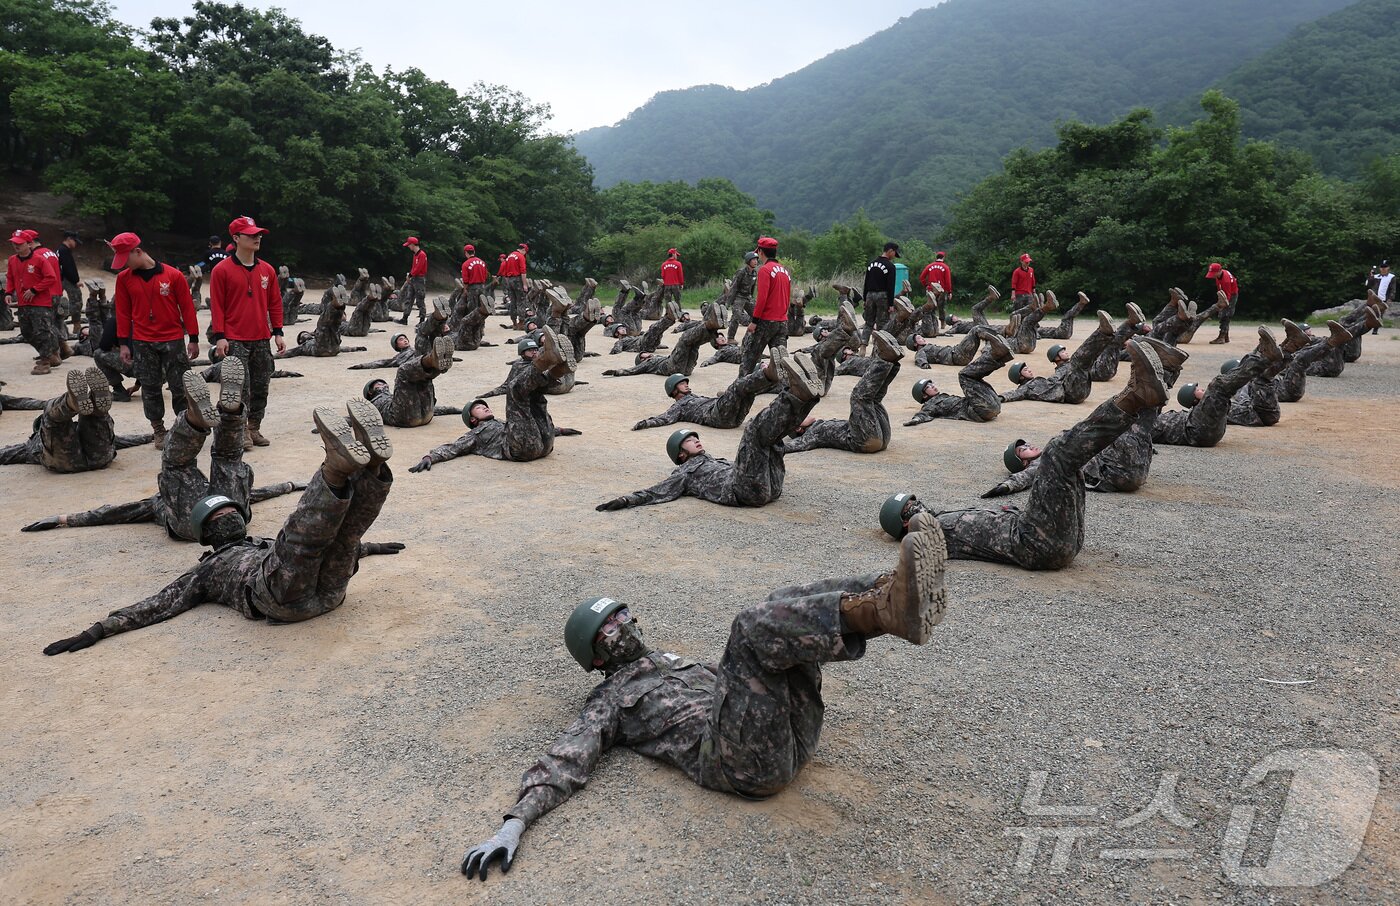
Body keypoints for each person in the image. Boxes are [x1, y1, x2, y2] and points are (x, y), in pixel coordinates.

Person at [459, 516, 949, 881]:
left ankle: (888, 593)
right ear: (594, 655)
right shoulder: (608, 698)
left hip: (790, 734)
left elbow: (748, 676)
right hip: (743, 765)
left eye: (622, 615)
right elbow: (565, 759)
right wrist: (513, 825)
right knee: (750, 626)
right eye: (607, 627)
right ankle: (883, 610)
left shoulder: (674, 659)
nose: (621, 625)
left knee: (777, 607)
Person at [41, 399, 405, 656]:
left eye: (231, 512)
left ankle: (370, 467)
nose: (229, 517)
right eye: (219, 518)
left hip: (330, 595)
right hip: (279, 597)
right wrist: (102, 628)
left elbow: (335, 540)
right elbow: (160, 603)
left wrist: (372, 547)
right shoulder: (208, 569)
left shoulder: (257, 541)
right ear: (207, 537)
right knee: (300, 543)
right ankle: (336, 469)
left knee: (344, 537)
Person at [880, 339, 1168, 571]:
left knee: (1069, 457)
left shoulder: (942, 522)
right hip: (1036, 542)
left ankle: (1144, 392)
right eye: (910, 508)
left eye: (914, 501)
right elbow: (917, 550)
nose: (918, 506)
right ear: (904, 524)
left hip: (1052, 540)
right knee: (1058, 452)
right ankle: (1135, 396)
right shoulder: (925, 532)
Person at [20, 359, 302, 538]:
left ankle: (223, 414)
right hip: (230, 519)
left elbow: (117, 513)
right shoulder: (177, 504)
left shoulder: (161, 504)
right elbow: (119, 511)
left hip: (214, 516)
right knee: (192, 463)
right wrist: (289, 486)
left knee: (225, 458)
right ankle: (197, 419)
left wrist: (65, 520)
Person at [596, 351, 824, 510]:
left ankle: (805, 396)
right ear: (680, 454)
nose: (695, 440)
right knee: (754, 428)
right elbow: (657, 491)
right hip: (744, 491)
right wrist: (626, 500)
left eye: (694, 437)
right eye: (688, 440)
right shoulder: (684, 473)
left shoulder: (712, 459)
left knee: (772, 437)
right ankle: (787, 389)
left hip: (770, 486)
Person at [408, 329, 579, 471]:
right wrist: (430, 456)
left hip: (545, 443)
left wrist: (560, 430)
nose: (484, 408)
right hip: (520, 450)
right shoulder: (475, 434)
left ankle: (559, 370)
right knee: (514, 390)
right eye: (479, 408)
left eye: (483, 406)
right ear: (473, 420)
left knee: (534, 396)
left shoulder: (502, 424)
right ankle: (545, 359)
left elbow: (526, 425)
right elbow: (454, 447)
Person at [109, 232, 200, 446]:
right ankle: (158, 429)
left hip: (173, 339)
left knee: (179, 386)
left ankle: (184, 425)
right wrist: (123, 343)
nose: (124, 265)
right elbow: (122, 312)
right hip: (143, 341)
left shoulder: (173, 275)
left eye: (125, 259)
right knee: (150, 387)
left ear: (138, 252)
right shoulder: (124, 279)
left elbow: (187, 308)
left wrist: (193, 338)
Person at [208, 216, 284, 448]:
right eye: (251, 234)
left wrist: (278, 331)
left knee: (261, 384)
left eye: (259, 234)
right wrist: (220, 335)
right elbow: (217, 305)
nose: (257, 237)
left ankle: (254, 427)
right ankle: (239, 430)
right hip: (235, 338)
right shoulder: (221, 270)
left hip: (261, 336)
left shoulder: (267, 270)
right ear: (236, 238)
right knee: (240, 386)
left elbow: (275, 303)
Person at [1152, 327, 1282, 448]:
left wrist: (1171, 373)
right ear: (1193, 400)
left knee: (1223, 385)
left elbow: (1157, 399)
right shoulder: (1144, 425)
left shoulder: (1198, 413)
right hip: (1197, 432)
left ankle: (1280, 350)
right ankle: (1265, 356)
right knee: (1218, 385)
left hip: (1203, 430)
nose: (1201, 389)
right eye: (1197, 390)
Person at [0, 368, 148, 473]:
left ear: (38, 429)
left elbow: (7, 454)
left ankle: (72, 404)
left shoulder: (31, 444)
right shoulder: (79, 430)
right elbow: (125, 440)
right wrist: (149, 437)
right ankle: (95, 406)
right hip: (100, 458)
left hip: (65, 463)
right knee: (96, 420)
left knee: (53, 420)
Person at [782, 330, 902, 455]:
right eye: (799, 420)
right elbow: (796, 445)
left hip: (878, 434)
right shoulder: (811, 434)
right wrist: (770, 447)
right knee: (858, 397)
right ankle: (884, 359)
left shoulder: (819, 425)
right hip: (863, 441)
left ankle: (892, 362)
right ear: (799, 428)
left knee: (874, 401)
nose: (802, 416)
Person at [999, 311, 1124, 406]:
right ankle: (1103, 332)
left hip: (1077, 391)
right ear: (1020, 377)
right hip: (1070, 393)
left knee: (1086, 360)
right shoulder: (1024, 388)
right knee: (1077, 360)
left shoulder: (1041, 380)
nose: (1029, 370)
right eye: (1025, 370)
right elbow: (1014, 394)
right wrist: (1000, 398)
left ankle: (1121, 329)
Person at [631, 360, 782, 431]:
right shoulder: (678, 406)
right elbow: (664, 418)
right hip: (716, 417)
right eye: (682, 384)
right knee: (737, 386)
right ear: (673, 390)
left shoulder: (694, 397)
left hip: (734, 419)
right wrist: (645, 423)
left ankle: (780, 379)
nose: (686, 384)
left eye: (686, 382)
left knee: (749, 391)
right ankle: (767, 372)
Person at [904, 330, 1014, 425]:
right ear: (924, 395)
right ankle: (995, 355)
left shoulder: (942, 397)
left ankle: (1000, 355)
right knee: (964, 375)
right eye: (928, 386)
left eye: (931, 384)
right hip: (980, 410)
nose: (933, 386)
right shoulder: (930, 404)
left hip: (991, 406)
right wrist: (916, 419)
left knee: (976, 378)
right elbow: (923, 414)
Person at [362, 336, 459, 428]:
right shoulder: (371, 404)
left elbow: (438, 409)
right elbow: (356, 416)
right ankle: (432, 361)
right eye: (378, 384)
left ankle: (438, 365)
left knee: (422, 380)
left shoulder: (394, 398)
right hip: (401, 417)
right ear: (370, 392)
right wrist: (361, 365)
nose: (383, 385)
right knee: (402, 371)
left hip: (424, 413)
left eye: (383, 383)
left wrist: (461, 410)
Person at [603, 304, 724, 378]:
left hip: (686, 368)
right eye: (642, 356)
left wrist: (661, 346)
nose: (623, 329)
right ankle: (708, 324)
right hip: (673, 367)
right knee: (684, 338)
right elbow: (632, 370)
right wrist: (616, 371)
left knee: (694, 343)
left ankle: (713, 328)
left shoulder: (653, 359)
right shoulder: (648, 362)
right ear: (642, 360)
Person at [6, 228, 65, 374]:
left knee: (42, 331)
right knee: (26, 332)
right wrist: (8, 292)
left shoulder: (39, 259)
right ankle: (51, 354)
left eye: (19, 243)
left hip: (40, 303)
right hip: (23, 302)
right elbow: (10, 277)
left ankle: (45, 361)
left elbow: (51, 278)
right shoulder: (13, 260)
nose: (16, 246)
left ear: (29, 244)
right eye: (14, 243)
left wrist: (34, 290)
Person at [742, 237, 790, 375]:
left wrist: (754, 321)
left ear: (761, 252)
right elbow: (787, 297)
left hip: (766, 321)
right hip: (782, 321)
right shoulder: (784, 271)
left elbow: (762, 298)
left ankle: (739, 393)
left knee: (749, 358)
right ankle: (784, 391)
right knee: (781, 362)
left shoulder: (765, 270)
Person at [861, 242, 899, 341]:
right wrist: (891, 304)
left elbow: (866, 282)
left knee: (868, 322)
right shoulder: (890, 266)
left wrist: (865, 299)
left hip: (869, 295)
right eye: (895, 253)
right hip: (882, 296)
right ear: (890, 251)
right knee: (882, 323)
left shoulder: (871, 264)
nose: (894, 256)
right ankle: (879, 347)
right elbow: (890, 286)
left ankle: (863, 345)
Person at [725, 252, 759, 341]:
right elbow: (734, 287)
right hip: (739, 297)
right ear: (748, 261)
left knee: (757, 315)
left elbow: (753, 287)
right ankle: (730, 338)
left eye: (756, 260)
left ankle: (754, 337)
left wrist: (752, 297)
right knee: (736, 316)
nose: (756, 262)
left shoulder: (755, 273)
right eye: (753, 260)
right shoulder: (741, 272)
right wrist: (728, 303)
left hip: (748, 297)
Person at [1205, 262, 1238, 344]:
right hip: (1226, 294)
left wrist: (1222, 306)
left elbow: (1227, 295)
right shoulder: (1219, 275)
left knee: (1225, 315)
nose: (1212, 276)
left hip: (1231, 295)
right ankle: (1225, 337)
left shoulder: (1225, 280)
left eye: (1213, 273)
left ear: (1219, 271)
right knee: (1224, 314)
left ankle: (1222, 337)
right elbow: (1219, 289)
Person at [58, 231, 83, 334]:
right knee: (76, 301)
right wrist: (75, 281)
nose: (76, 244)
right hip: (66, 279)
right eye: (75, 241)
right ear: (69, 239)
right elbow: (68, 268)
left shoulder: (61, 250)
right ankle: (76, 325)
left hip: (61, 278)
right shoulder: (64, 251)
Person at [399, 236, 428, 325]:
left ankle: (422, 319)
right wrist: (410, 275)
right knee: (409, 297)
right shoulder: (415, 255)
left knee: (420, 299)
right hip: (413, 278)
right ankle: (405, 317)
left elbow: (418, 268)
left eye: (409, 245)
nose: (408, 247)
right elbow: (414, 267)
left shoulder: (422, 255)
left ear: (412, 245)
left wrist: (410, 275)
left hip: (419, 279)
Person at [919, 251, 952, 327]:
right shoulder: (945, 267)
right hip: (942, 291)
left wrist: (927, 285)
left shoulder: (929, 266)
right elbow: (948, 281)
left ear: (936, 257)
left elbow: (922, 277)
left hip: (931, 290)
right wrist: (949, 291)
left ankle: (931, 323)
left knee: (931, 307)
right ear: (943, 258)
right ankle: (942, 323)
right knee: (942, 306)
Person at [1364, 261, 1394, 336]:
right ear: (1380, 268)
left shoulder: (1391, 277)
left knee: (1379, 315)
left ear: (1388, 268)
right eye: (1382, 267)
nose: (1383, 269)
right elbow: (1368, 284)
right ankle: (1364, 328)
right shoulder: (1376, 276)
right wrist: (1371, 276)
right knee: (1368, 313)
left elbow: (1392, 289)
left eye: (1385, 267)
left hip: (1382, 299)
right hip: (1373, 298)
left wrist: (1390, 298)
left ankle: (1375, 330)